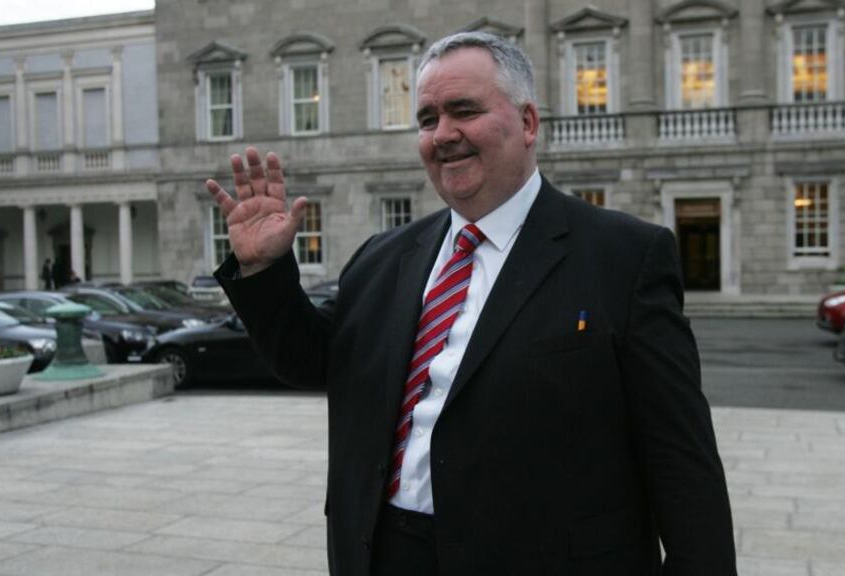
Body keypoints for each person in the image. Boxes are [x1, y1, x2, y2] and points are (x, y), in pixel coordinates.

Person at [208, 32, 735, 576]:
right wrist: (264, 269)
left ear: (527, 123)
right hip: (380, 555)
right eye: (427, 119)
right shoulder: (381, 257)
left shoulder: (624, 256)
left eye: (464, 111)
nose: (443, 134)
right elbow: (310, 361)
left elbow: (682, 462)